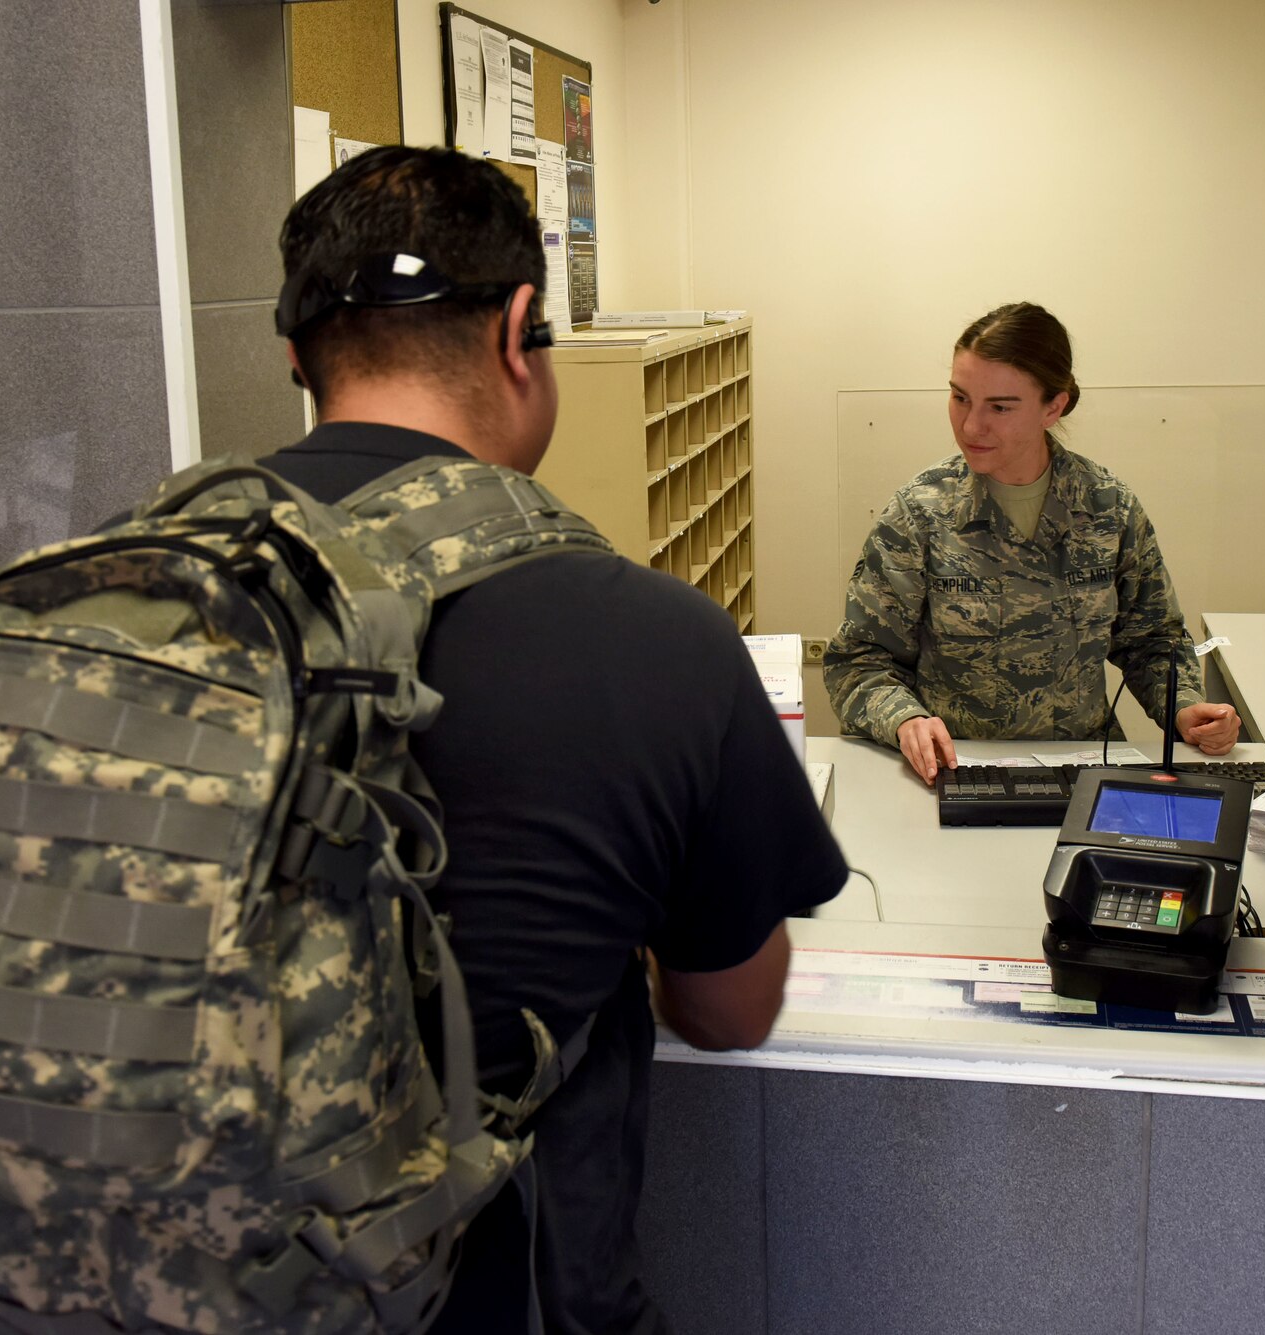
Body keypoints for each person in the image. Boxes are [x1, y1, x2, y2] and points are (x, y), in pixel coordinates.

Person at [267, 146, 849, 1331]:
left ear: (295, 355)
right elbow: (727, 1015)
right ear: (520, 329)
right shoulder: (653, 639)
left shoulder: (132, 590)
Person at [824, 302, 1241, 784]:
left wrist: (1185, 707)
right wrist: (905, 720)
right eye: (960, 398)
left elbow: (1152, 641)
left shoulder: (1108, 508)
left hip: (1081, 769)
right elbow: (858, 661)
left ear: (1054, 406)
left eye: (1000, 407)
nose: (971, 425)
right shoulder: (920, 513)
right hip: (955, 772)